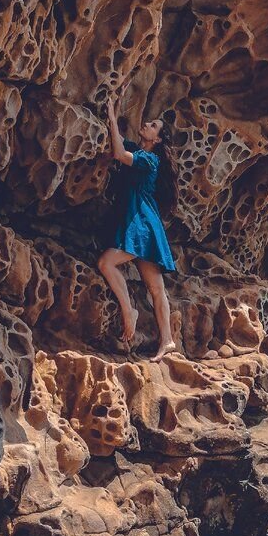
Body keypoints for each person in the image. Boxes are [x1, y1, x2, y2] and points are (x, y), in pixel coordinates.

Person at [97, 91, 179, 360]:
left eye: (153, 125)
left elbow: (119, 153)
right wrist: (116, 106)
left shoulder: (149, 159)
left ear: (156, 139)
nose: (147, 124)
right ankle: (167, 340)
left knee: (107, 263)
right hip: (144, 221)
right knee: (156, 288)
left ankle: (128, 309)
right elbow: (119, 141)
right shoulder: (139, 150)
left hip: (142, 224)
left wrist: (110, 115)